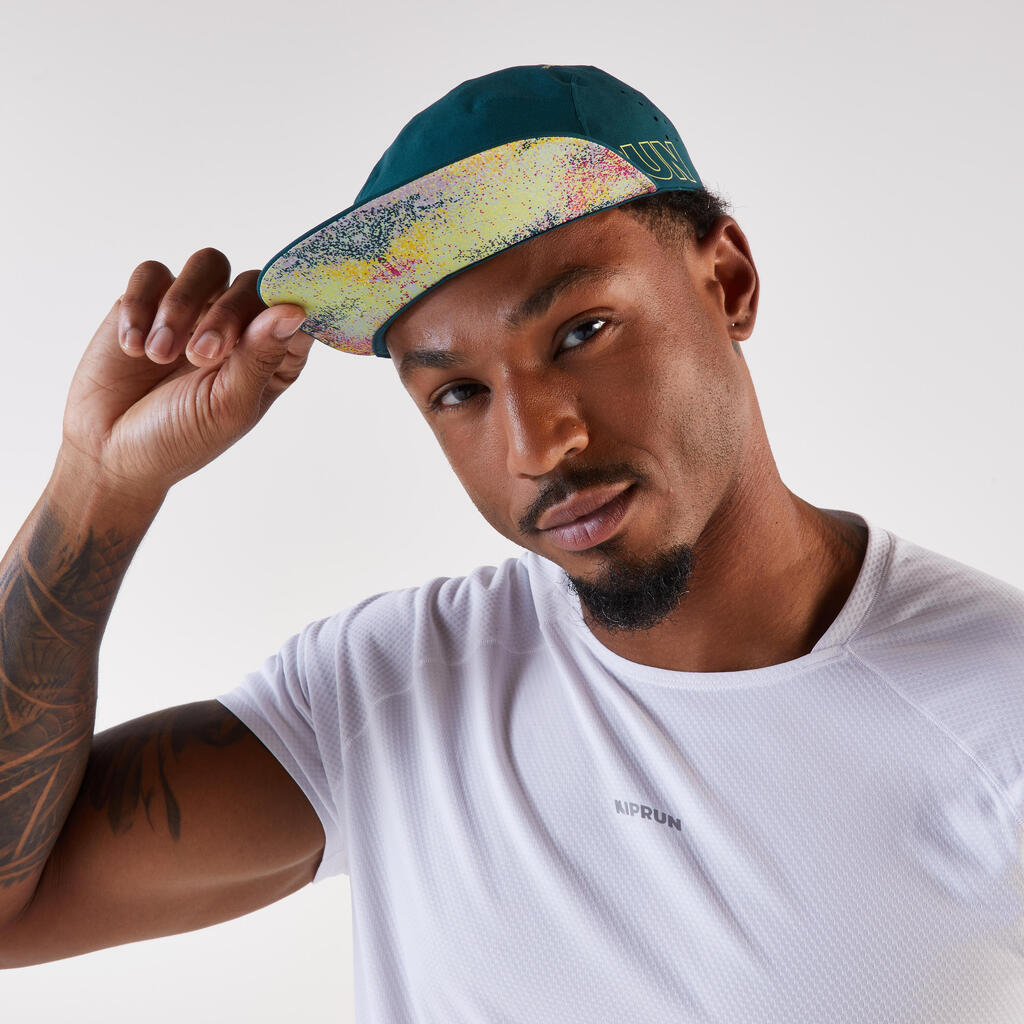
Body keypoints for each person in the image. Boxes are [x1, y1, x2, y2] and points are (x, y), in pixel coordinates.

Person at [1, 63, 1023, 1023]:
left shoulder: (994, 713)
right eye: (458, 392)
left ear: (727, 280)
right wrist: (101, 484)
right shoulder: (396, 690)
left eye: (581, 333)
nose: (537, 447)